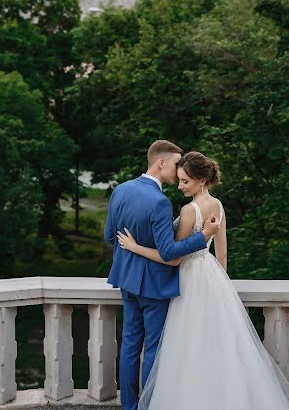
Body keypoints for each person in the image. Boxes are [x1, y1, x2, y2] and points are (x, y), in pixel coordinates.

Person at [117, 151, 289, 410]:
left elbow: (172, 258)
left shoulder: (188, 211)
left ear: (201, 181)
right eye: (180, 180)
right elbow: (223, 252)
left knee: (183, 344)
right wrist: (221, 286)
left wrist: (135, 247)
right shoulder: (218, 205)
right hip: (211, 275)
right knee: (214, 344)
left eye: (185, 181)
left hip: (188, 278)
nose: (180, 186)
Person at [104, 141, 220, 410]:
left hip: (126, 280)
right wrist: (203, 236)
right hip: (154, 284)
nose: (179, 169)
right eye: (177, 162)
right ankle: (148, 405)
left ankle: (129, 406)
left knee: (131, 344)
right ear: (161, 163)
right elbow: (168, 253)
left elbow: (110, 235)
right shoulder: (159, 202)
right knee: (154, 348)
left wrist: (132, 246)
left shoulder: (121, 190)